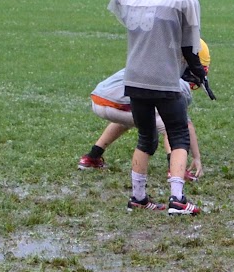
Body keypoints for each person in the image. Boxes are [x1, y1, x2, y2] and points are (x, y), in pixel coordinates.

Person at [108, 0, 205, 215]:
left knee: (145, 137)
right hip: (163, 79)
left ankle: (138, 198)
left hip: (134, 79)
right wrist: (198, 70)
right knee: (178, 136)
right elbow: (189, 47)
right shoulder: (183, 0)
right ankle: (178, 199)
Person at [79, 41, 209, 173]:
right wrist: (197, 157)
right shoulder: (173, 81)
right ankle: (174, 169)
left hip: (99, 100)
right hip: (119, 102)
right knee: (170, 124)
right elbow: (185, 124)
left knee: (135, 115)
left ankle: (92, 156)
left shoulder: (150, 63)